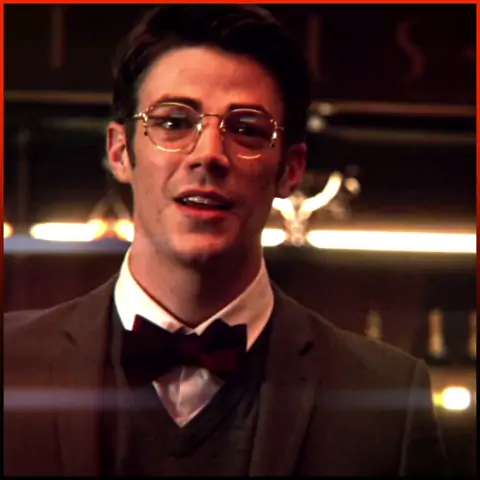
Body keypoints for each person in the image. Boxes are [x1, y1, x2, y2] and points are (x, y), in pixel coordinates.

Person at [3, 4, 449, 476]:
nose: (209, 154)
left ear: (290, 170)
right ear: (120, 151)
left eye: (247, 129)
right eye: (174, 122)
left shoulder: (386, 400)